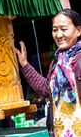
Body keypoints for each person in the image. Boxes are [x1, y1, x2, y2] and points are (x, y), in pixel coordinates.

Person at [15, 9, 81, 137]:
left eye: (63, 29)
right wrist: (25, 64)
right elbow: (46, 89)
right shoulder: (57, 62)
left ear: (78, 30)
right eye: (55, 30)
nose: (58, 34)